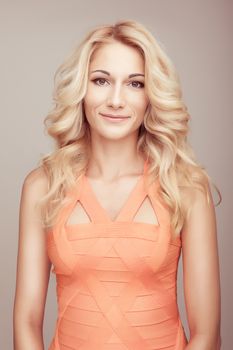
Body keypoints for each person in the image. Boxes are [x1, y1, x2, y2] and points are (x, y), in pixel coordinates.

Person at [13, 19, 222, 350]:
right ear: (82, 89)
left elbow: (207, 334)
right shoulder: (43, 186)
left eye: (135, 84)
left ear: (151, 96)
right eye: (101, 80)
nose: (115, 100)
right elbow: (26, 322)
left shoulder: (186, 187)